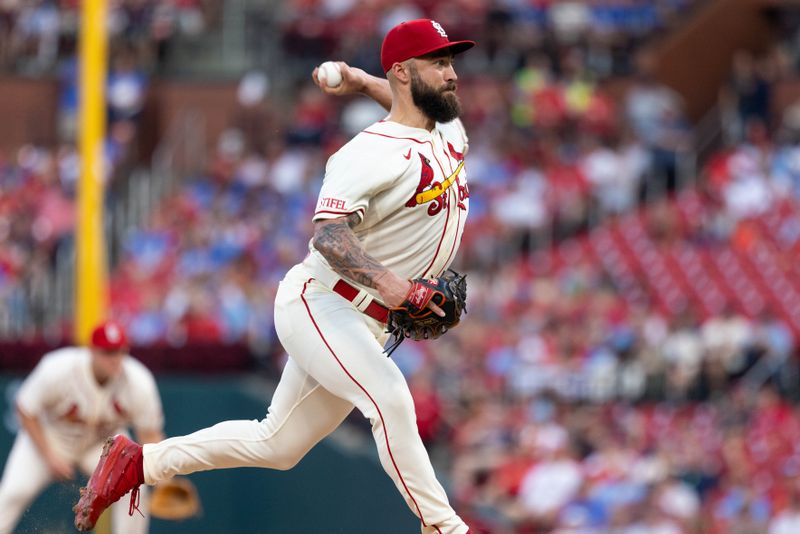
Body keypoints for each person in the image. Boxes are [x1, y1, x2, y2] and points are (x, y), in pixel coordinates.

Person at [74, 19, 476, 534]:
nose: (451, 73)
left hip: (367, 322)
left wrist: (359, 79)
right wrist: (398, 287)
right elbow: (329, 237)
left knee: (278, 445)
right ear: (403, 71)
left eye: (450, 62)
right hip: (323, 302)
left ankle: (139, 463)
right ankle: (444, 527)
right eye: (438, 62)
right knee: (389, 398)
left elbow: (404, 99)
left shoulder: (446, 134)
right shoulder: (369, 151)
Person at [0, 320, 164, 534]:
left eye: (120, 352)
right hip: (50, 438)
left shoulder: (138, 381)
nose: (115, 359)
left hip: (101, 445)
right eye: (108, 352)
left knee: (134, 490)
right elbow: (25, 408)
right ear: (92, 351)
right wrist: (49, 455)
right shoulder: (58, 368)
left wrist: (164, 478)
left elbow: (148, 433)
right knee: (12, 493)